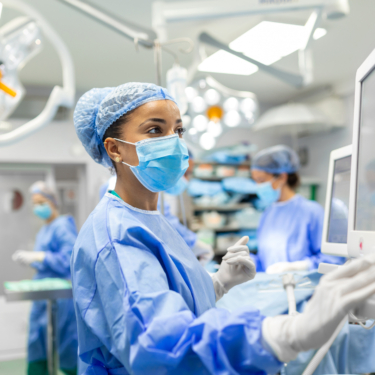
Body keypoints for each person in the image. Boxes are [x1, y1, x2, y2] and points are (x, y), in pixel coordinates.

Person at [71, 82, 375, 375]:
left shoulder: (151, 219)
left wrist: (218, 283)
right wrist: (289, 333)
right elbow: (159, 343)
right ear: (115, 149)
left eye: (178, 130)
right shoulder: (116, 236)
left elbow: (169, 299)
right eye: (155, 130)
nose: (174, 142)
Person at [12, 181, 78, 375]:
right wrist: (34, 261)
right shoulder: (45, 229)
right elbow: (48, 262)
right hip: (43, 294)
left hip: (61, 297)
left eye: (41, 202)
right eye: (34, 203)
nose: (37, 207)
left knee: (65, 342)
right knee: (37, 340)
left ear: (52, 202)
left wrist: (40, 256)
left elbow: (69, 259)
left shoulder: (62, 226)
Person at [251, 145, 345, 274]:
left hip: (304, 289)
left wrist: (300, 266)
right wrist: (248, 262)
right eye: (255, 180)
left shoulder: (312, 212)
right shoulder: (267, 214)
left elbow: (333, 260)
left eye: (261, 180)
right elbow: (265, 260)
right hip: (271, 288)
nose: (258, 186)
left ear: (282, 177)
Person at [99, 174, 214, 266]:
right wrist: (193, 242)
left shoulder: (111, 185)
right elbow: (164, 221)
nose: (185, 179)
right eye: (185, 173)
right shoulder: (142, 191)